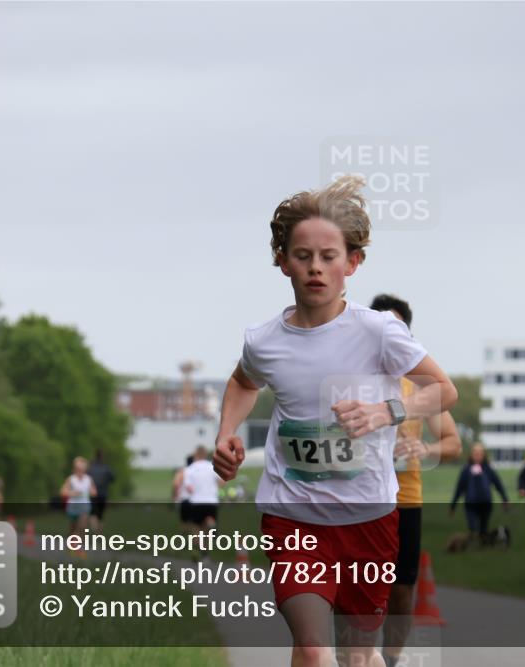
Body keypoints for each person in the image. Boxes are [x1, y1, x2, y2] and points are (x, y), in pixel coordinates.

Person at [212, 175, 458, 667]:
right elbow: (243, 383)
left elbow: (442, 390)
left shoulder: (379, 333)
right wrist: (226, 434)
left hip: (369, 517)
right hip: (292, 516)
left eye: (329, 257)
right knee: (312, 649)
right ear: (282, 261)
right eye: (302, 256)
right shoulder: (265, 341)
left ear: (353, 263)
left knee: (358, 657)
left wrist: (385, 411)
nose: (316, 269)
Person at [369, 294, 463, 667]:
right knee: (359, 584)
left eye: (395, 328)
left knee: (402, 588)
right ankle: (355, 656)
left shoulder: (422, 387)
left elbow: (453, 443)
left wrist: (425, 448)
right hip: (359, 498)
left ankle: (390, 659)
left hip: (405, 498)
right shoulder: (352, 382)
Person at [449, 443, 509, 538]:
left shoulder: (488, 469)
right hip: (471, 503)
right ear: (471, 454)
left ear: (484, 455)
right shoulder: (466, 470)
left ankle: (481, 544)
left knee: (483, 528)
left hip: (485, 502)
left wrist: (505, 499)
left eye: (480, 453)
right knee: (473, 527)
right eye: (475, 453)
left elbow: (498, 484)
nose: (477, 455)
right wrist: (453, 506)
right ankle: (473, 542)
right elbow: (459, 488)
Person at [61, 457, 96, 552]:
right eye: (78, 469)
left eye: (82, 469)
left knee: (82, 527)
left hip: (84, 506)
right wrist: (73, 493)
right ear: (75, 469)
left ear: (85, 469)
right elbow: (63, 492)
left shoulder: (88, 479)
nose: (80, 471)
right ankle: (71, 546)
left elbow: (94, 492)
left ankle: (80, 548)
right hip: (73, 506)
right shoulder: (71, 479)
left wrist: (91, 491)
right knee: (73, 528)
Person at [87, 449, 116, 532]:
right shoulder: (106, 468)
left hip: (93, 494)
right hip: (103, 493)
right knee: (100, 513)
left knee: (93, 512)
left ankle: (95, 530)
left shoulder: (90, 468)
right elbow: (113, 478)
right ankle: (99, 530)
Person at [173, 454, 196, 529]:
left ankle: (184, 534)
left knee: (184, 520)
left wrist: (175, 496)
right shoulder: (197, 471)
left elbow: (176, 484)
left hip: (184, 499)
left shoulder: (182, 472)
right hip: (196, 499)